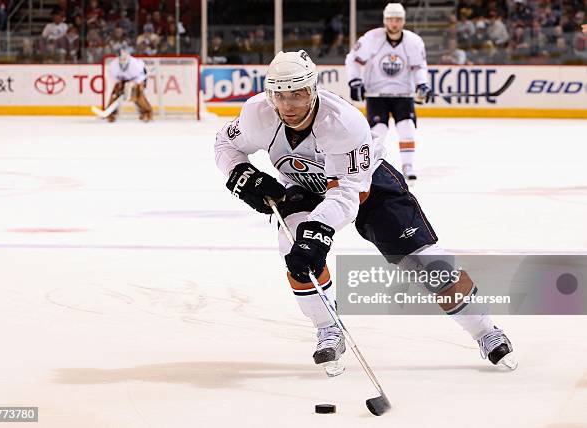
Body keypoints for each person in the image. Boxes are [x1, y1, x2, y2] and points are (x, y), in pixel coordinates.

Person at [214, 49, 517, 373]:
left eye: (298, 94)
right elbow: (225, 144)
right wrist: (240, 174)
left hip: (366, 185)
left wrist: (318, 228)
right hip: (301, 187)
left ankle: (485, 330)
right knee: (296, 253)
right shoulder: (256, 113)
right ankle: (328, 329)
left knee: (426, 262)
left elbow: (348, 192)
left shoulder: (343, 122)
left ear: (313, 89)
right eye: (280, 95)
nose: (288, 105)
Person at [345, 3, 432, 182]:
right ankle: (373, 166)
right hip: (377, 95)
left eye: (398, 19)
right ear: (385, 20)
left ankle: (408, 166)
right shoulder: (371, 38)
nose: (394, 23)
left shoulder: (413, 41)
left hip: (403, 94)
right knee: (378, 131)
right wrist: (355, 81)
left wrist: (422, 84)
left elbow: (419, 67)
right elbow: (353, 60)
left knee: (406, 128)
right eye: (391, 19)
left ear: (403, 21)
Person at [105, 49, 152, 122]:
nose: (123, 60)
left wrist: (133, 84)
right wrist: (119, 84)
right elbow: (112, 76)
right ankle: (111, 114)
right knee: (115, 93)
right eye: (121, 58)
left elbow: (141, 76)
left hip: (136, 79)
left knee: (138, 93)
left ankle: (146, 113)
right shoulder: (114, 65)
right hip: (122, 80)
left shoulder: (135, 64)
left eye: (124, 58)